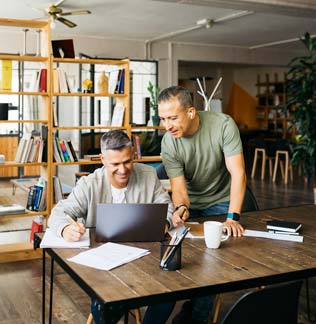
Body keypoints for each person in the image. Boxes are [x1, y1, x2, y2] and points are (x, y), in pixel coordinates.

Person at [48, 130, 175, 324]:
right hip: (103, 267)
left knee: (168, 294)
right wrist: (66, 229)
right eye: (115, 164)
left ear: (133, 155)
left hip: (145, 258)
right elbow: (58, 213)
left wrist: (164, 223)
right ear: (102, 159)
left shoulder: (148, 175)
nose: (123, 170)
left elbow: (167, 207)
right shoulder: (89, 184)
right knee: (108, 306)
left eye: (127, 162)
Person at [153, 85, 247, 324]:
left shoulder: (224, 125)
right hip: (191, 202)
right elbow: (180, 189)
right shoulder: (169, 142)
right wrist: (182, 208)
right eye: (163, 119)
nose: (167, 125)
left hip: (221, 201)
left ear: (192, 112)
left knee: (212, 260)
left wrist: (232, 217)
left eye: (173, 118)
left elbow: (238, 173)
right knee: (173, 254)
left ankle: (196, 317)